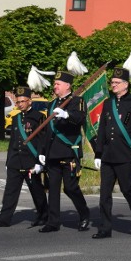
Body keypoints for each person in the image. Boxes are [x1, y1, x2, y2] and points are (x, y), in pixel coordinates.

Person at [92, 67, 131, 239]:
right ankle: (104, 228)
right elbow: (102, 128)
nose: (113, 85)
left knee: (127, 190)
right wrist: (98, 152)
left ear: (126, 84)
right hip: (109, 155)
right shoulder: (108, 103)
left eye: (117, 83)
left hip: (126, 155)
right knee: (104, 193)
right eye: (112, 83)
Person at [0, 88, 48, 228]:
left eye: (22, 101)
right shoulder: (16, 118)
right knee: (10, 191)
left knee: (37, 190)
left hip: (30, 161)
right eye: (17, 101)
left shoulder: (39, 117)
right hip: (15, 160)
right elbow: (13, 141)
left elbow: (42, 140)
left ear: (29, 101)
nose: (19, 104)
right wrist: (8, 161)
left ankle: (44, 215)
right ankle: (4, 219)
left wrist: (39, 161)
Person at [38, 71, 90, 233]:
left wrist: (67, 114)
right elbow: (47, 130)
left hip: (69, 151)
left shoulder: (77, 101)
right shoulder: (52, 104)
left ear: (67, 85)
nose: (55, 86)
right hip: (53, 152)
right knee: (53, 189)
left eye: (58, 84)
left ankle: (84, 213)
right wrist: (42, 151)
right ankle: (53, 222)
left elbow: (80, 118)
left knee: (70, 187)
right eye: (54, 84)